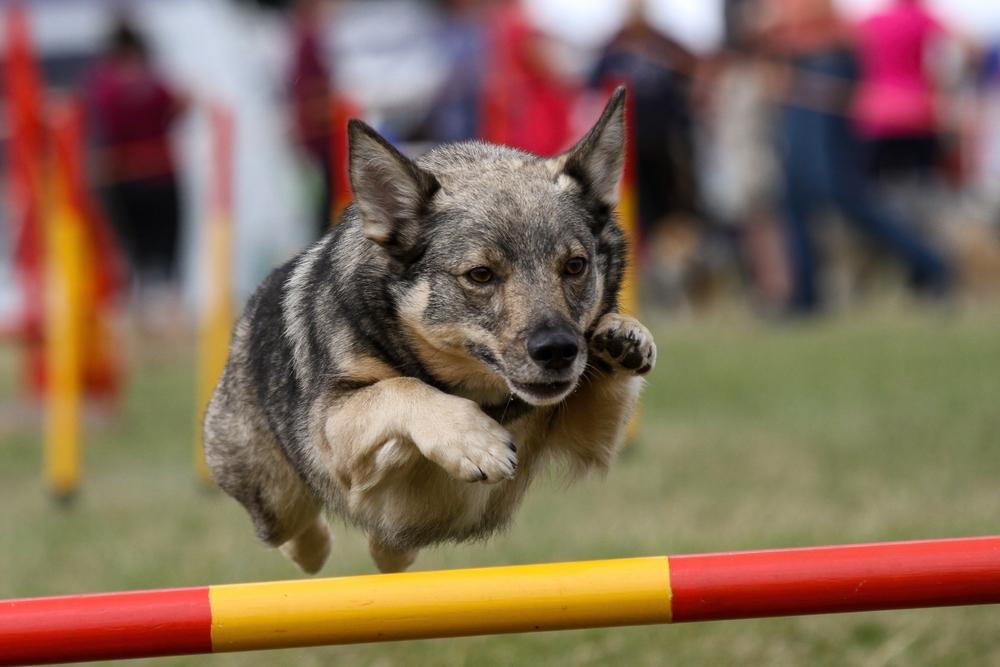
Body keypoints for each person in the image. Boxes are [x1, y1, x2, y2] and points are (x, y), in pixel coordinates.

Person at [760, 0, 951, 313]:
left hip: (822, 59)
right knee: (795, 190)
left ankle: (930, 265)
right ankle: (804, 295)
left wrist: (770, 28)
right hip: (801, 62)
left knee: (840, 191)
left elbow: (809, 13)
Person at [83, 18, 185, 299]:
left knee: (135, 250)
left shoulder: (103, 83)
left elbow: (100, 126)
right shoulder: (152, 81)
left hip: (125, 177)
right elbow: (176, 108)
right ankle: (158, 304)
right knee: (161, 249)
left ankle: (142, 304)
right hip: (155, 176)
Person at [852, 0, 947, 182]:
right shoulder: (924, 19)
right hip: (917, 111)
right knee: (923, 182)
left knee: (874, 185)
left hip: (877, 111)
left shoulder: (872, 21)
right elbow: (959, 48)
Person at [288, 0, 335, 236]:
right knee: (321, 200)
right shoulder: (307, 40)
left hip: (316, 134)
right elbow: (308, 92)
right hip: (318, 136)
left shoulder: (302, 39)